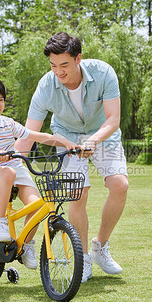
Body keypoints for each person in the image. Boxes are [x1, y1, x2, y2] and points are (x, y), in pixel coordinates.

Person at [15, 32, 129, 283]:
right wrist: (14, 161)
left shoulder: (103, 73)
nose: (59, 72)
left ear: (78, 59)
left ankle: (101, 246)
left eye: (64, 65)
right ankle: (84, 258)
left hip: (103, 133)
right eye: (53, 66)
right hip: (66, 137)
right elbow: (29, 132)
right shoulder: (46, 86)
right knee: (79, 194)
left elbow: (113, 119)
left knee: (120, 185)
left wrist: (93, 140)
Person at [0, 76, 77, 270]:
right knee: (7, 172)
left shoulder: (8, 124)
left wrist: (65, 143)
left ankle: (26, 246)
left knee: (36, 206)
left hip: (17, 168)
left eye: (1, 100)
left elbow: (37, 136)